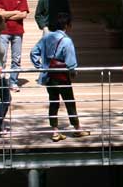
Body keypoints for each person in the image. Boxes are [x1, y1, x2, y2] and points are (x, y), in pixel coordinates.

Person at [30, 12, 89, 141]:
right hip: (62, 76)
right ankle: (77, 129)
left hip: (49, 75)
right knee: (69, 102)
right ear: (67, 25)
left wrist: (40, 67)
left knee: (53, 102)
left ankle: (55, 132)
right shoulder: (67, 41)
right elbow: (71, 62)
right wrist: (73, 72)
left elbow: (33, 52)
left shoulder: (46, 37)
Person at [0, 0, 29, 92]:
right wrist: (15, 12)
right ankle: (2, 82)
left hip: (17, 31)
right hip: (3, 31)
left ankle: (13, 81)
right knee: (2, 57)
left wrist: (7, 15)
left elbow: (24, 14)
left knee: (16, 58)